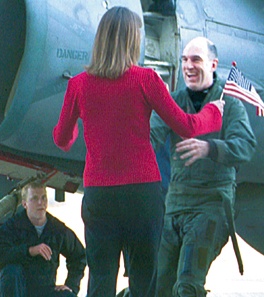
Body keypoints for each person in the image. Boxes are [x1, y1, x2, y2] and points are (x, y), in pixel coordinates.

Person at [52, 7, 224, 297]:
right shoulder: (146, 80)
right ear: (133, 40)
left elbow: (62, 139)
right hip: (143, 195)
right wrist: (213, 112)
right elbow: (186, 126)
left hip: (100, 195)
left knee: (101, 280)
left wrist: (75, 132)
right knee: (146, 282)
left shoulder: (78, 85)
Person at [150, 36, 257, 296]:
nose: (188, 66)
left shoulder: (230, 104)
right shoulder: (172, 101)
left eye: (196, 60)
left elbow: (245, 146)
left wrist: (209, 149)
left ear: (212, 65)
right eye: (184, 60)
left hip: (211, 205)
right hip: (175, 205)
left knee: (187, 285)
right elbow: (150, 137)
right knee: (157, 287)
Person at [0, 181, 86, 297]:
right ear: (24, 204)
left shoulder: (57, 229)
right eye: (34, 199)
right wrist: (29, 251)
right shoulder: (13, 227)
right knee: (10, 272)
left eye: (43, 198)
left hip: (45, 290)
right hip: (18, 289)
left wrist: (71, 285)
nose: (40, 203)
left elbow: (79, 256)